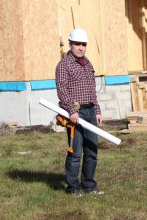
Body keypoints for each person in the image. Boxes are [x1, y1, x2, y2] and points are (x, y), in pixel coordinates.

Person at [55, 28, 104, 196]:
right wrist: (71, 111)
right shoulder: (64, 65)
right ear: (70, 44)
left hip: (90, 112)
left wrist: (97, 110)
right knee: (75, 153)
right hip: (75, 113)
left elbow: (92, 90)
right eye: (77, 44)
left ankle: (89, 186)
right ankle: (73, 188)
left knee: (91, 151)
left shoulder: (88, 64)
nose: (81, 47)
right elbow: (62, 90)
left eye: (83, 44)